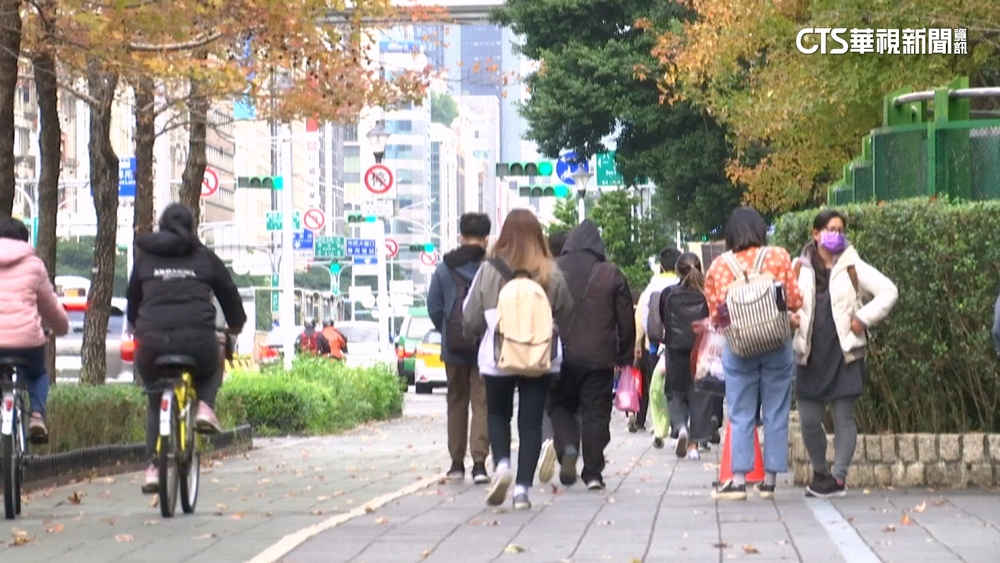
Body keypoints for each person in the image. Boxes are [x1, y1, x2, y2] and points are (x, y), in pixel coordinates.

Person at [127, 203, 247, 494]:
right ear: (193, 227)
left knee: (156, 401)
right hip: (197, 341)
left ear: (161, 226)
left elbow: (133, 298)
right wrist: (236, 324)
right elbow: (228, 293)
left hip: (151, 343)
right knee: (217, 349)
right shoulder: (205, 258)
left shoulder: (145, 258)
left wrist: (136, 326)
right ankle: (205, 406)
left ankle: (153, 469)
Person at [463, 209, 573, 510]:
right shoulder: (550, 270)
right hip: (540, 355)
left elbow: (470, 315)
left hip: (499, 354)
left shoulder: (489, 269)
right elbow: (565, 309)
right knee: (531, 422)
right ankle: (522, 490)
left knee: (498, 413)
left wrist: (482, 329)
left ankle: (501, 466)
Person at [793, 210, 897, 498]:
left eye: (840, 229)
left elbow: (889, 291)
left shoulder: (854, 265)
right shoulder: (797, 268)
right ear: (815, 234)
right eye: (830, 229)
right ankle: (820, 473)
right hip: (809, 355)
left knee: (843, 419)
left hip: (845, 354)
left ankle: (838, 479)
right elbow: (786, 302)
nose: (836, 235)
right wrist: (790, 318)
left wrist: (863, 318)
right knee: (809, 420)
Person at [703, 207, 802, 500]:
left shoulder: (719, 266)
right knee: (776, 410)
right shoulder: (779, 257)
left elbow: (716, 315)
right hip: (776, 343)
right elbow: (795, 299)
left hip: (739, 347)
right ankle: (769, 481)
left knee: (741, 412)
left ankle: (737, 480)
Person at [545, 220, 634, 490]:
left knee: (560, 405)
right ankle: (593, 472)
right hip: (599, 358)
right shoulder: (610, 273)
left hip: (560, 356)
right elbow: (625, 318)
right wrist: (625, 355)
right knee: (595, 413)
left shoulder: (552, 271)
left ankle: (569, 446)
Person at [427, 212, 492, 485]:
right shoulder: (492, 267)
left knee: (456, 401)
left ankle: (456, 464)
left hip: (453, 348)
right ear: (486, 239)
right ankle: (479, 465)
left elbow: (434, 307)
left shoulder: (444, 268)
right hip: (485, 345)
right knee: (482, 403)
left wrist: (448, 331)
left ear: (461, 237)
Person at [0, 217, 69, 443]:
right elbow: (49, 306)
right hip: (27, 342)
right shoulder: (34, 265)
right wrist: (61, 327)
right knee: (38, 374)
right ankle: (37, 416)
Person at [659, 253, 712, 460]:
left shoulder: (668, 293)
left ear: (677, 270)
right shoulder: (707, 292)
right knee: (700, 395)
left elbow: (664, 320)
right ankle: (694, 447)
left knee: (675, 393)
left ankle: (680, 427)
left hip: (676, 351)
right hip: (702, 350)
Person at [632, 247, 682, 432]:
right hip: (678, 343)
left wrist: (638, 343)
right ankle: (677, 421)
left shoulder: (650, 289)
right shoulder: (682, 285)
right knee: (677, 385)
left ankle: (659, 423)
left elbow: (641, 318)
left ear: (661, 266)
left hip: (653, 345)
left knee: (656, 385)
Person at [537, 230, 570, 484]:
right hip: (573, 346)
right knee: (572, 403)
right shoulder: (571, 272)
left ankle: (548, 440)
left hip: (540, 346)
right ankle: (570, 446)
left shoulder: (539, 271)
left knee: (544, 401)